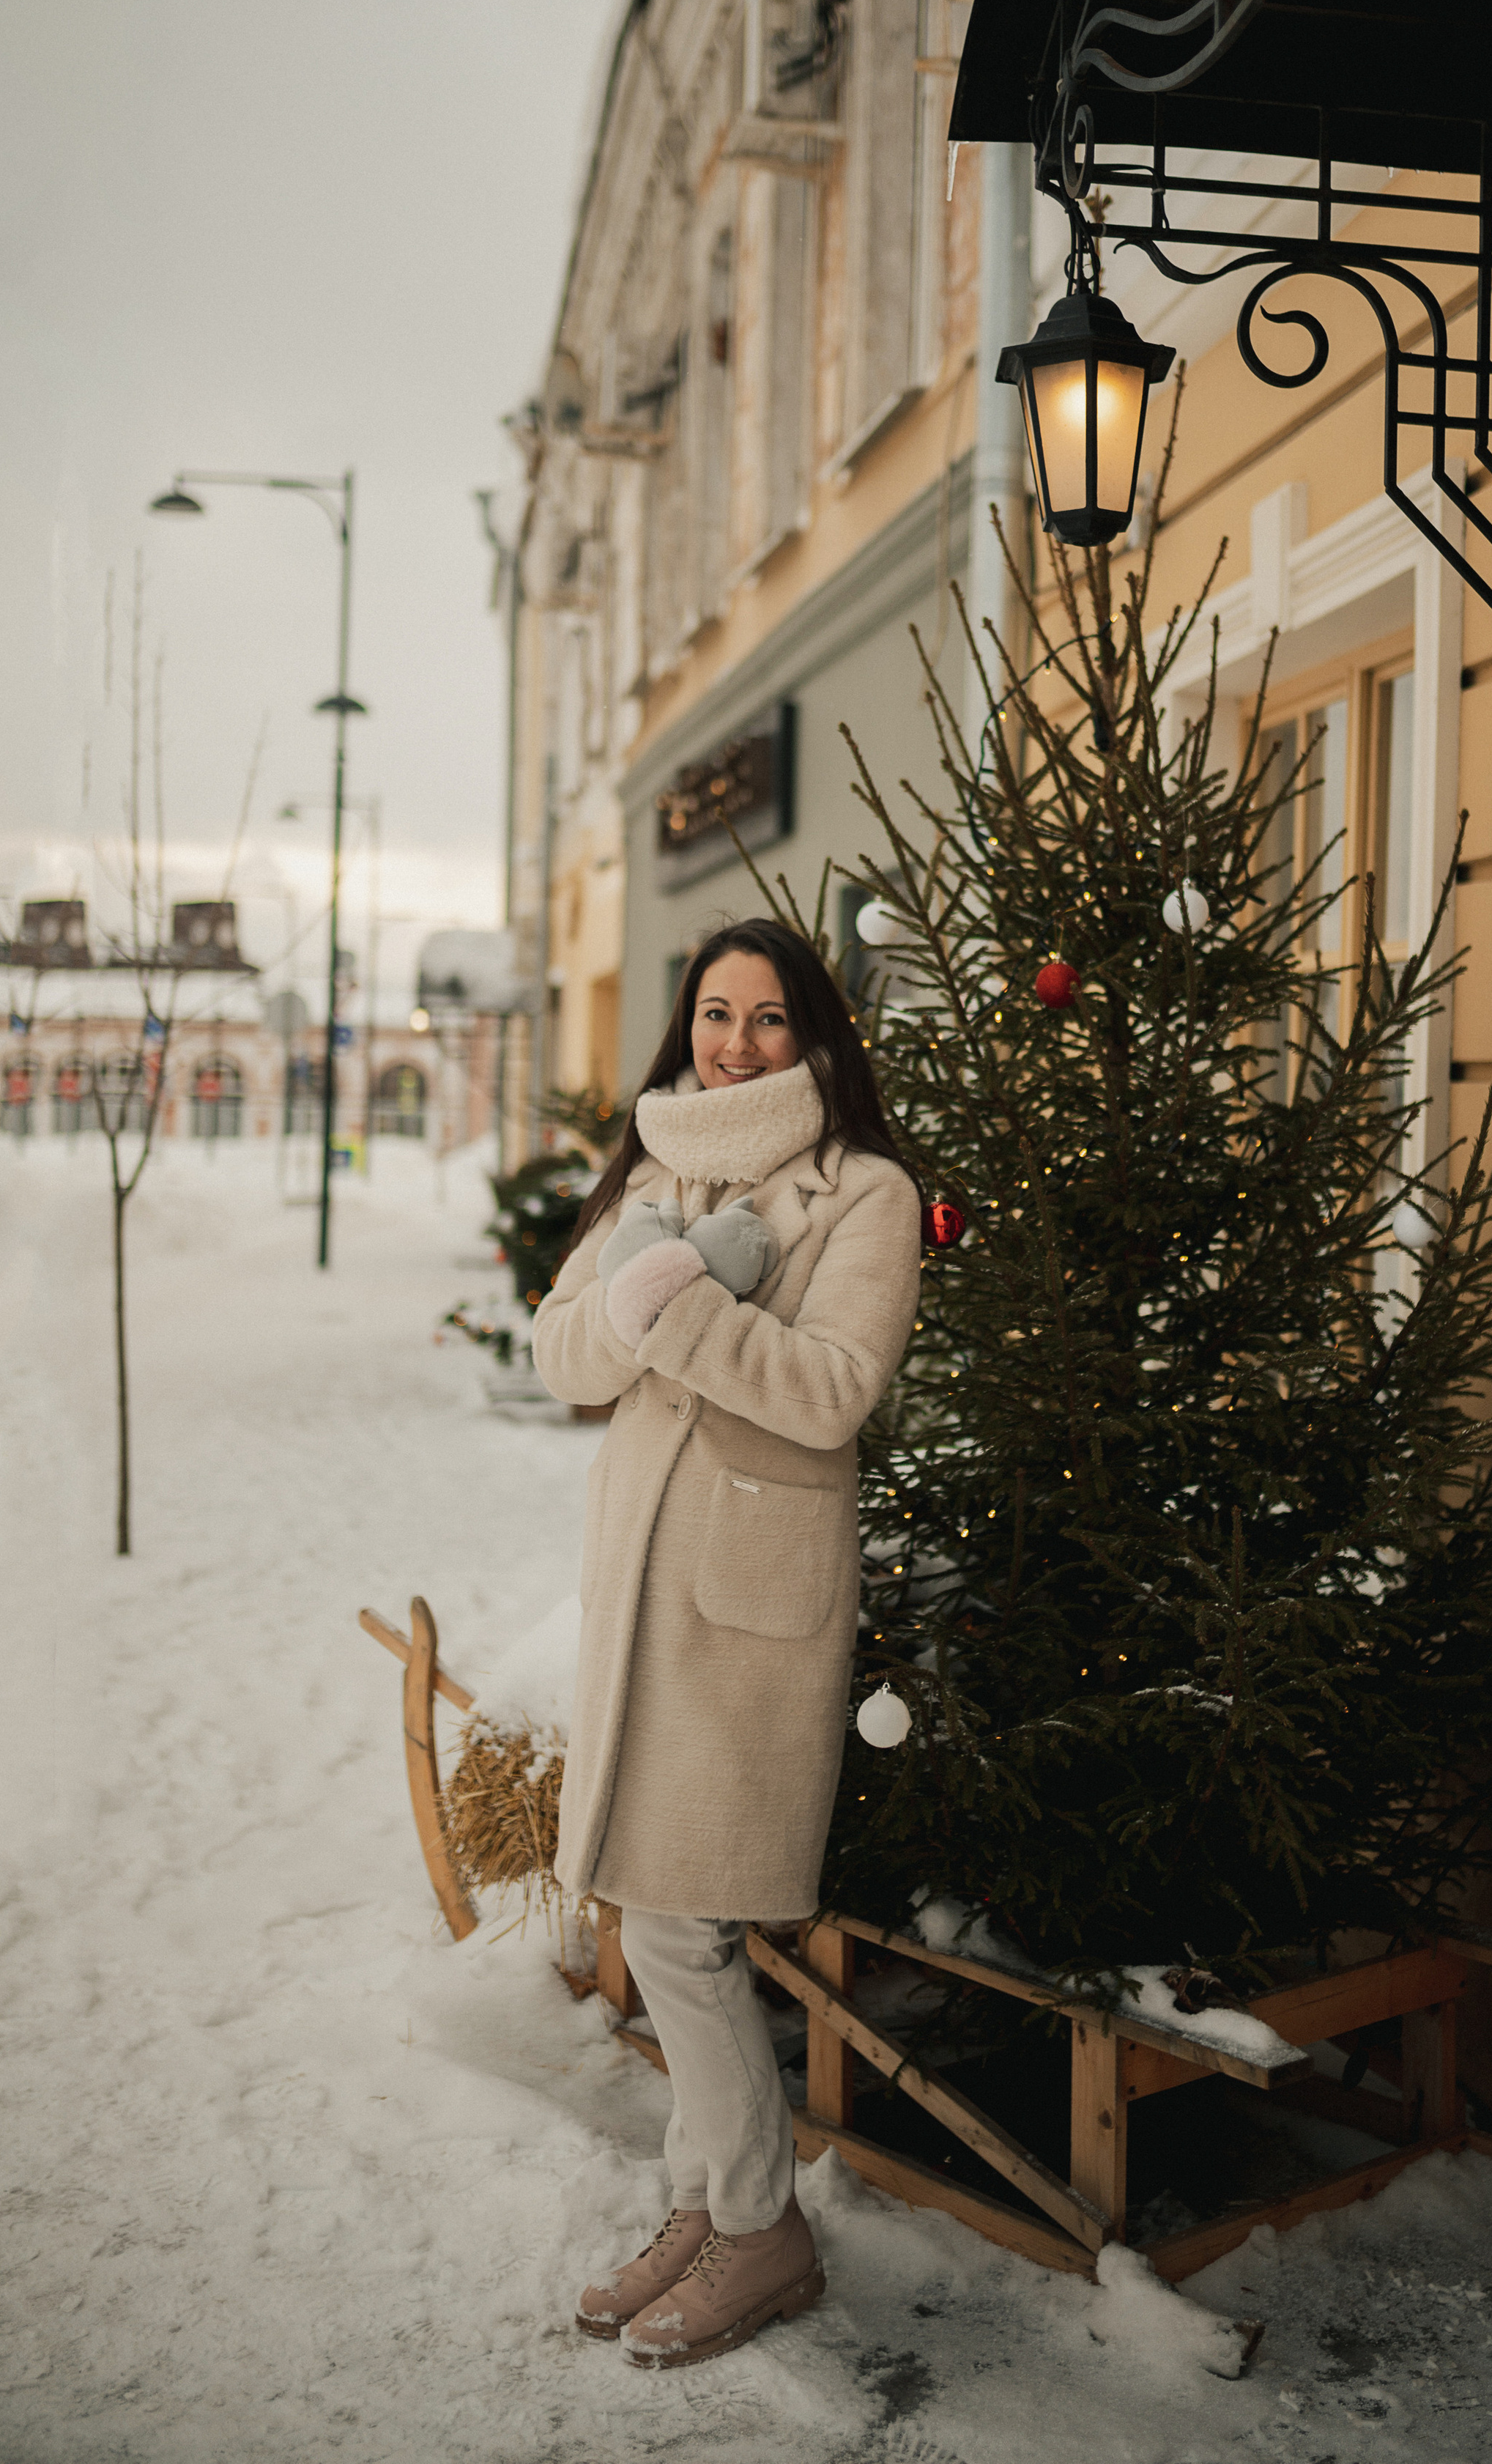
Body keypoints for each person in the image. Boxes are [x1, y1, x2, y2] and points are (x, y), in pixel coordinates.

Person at [532, 917, 921, 2372]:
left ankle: (758, 2229)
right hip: (638, 1592)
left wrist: (673, 1300)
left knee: (686, 1926)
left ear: (813, 1033)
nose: (735, 1044)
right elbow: (561, 1354)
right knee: (649, 1910)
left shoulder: (862, 1194)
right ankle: (704, 2212)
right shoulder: (651, 1166)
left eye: (767, 1019)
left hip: (747, 1606)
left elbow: (827, 1394)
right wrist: (647, 1277)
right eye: (714, 1014)